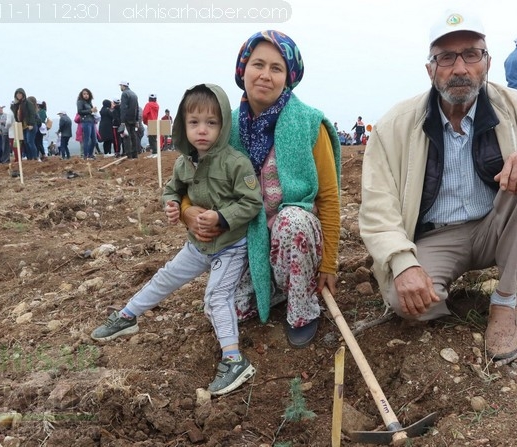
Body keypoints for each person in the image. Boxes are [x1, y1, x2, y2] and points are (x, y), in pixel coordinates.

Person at [358, 9, 517, 360]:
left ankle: (505, 299)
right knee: (408, 305)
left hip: (500, 227)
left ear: (488, 62)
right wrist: (403, 264)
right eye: (446, 57)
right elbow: (377, 207)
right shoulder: (393, 127)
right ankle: (457, 304)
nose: (460, 68)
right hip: (436, 236)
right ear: (430, 69)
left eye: (471, 54)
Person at [91, 83, 263, 396]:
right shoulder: (184, 162)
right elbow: (172, 190)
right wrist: (172, 206)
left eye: (211, 123)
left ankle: (235, 359)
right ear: (184, 126)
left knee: (215, 298)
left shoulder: (235, 162)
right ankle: (127, 316)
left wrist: (222, 218)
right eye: (194, 123)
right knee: (166, 276)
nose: (202, 131)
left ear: (223, 126)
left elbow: (252, 202)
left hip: (230, 246)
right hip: (198, 245)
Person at [181, 30, 341, 348]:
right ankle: (280, 287)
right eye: (258, 65)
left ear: (288, 78)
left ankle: (302, 307)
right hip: (245, 240)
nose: (265, 75)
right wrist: (189, 212)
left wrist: (328, 264)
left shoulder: (308, 124)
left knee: (293, 220)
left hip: (292, 239)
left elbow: (328, 196)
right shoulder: (224, 126)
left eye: (276, 68)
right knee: (222, 311)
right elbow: (192, 185)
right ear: (243, 70)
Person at [11, 88, 38, 160]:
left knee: (30, 142)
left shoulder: (28, 102)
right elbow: (15, 113)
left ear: (23, 94)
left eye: (20, 94)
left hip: (29, 125)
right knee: (25, 143)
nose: (19, 95)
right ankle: (29, 158)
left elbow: (32, 113)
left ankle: (35, 157)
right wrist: (14, 105)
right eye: (17, 94)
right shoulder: (17, 104)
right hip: (23, 126)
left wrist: (31, 124)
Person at [119, 81, 140, 159]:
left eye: (120, 86)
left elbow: (123, 108)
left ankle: (129, 155)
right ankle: (135, 154)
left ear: (123, 86)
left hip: (126, 118)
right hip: (133, 118)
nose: (120, 87)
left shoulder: (124, 94)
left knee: (127, 137)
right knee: (133, 136)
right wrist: (137, 120)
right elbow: (137, 108)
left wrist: (122, 121)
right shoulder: (134, 94)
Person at [77, 88, 98, 160]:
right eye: (84, 94)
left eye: (87, 94)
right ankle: (86, 155)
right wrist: (90, 110)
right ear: (82, 95)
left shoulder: (89, 102)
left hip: (91, 121)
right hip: (85, 121)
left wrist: (94, 111)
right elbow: (80, 111)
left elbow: (91, 111)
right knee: (87, 139)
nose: (86, 95)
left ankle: (90, 154)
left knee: (94, 140)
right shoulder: (80, 102)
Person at [142, 93, 160, 157]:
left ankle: (155, 152)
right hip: (155, 122)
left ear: (149, 98)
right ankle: (155, 152)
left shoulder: (148, 105)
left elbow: (144, 114)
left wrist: (145, 122)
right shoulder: (157, 105)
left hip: (150, 122)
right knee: (154, 138)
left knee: (151, 139)